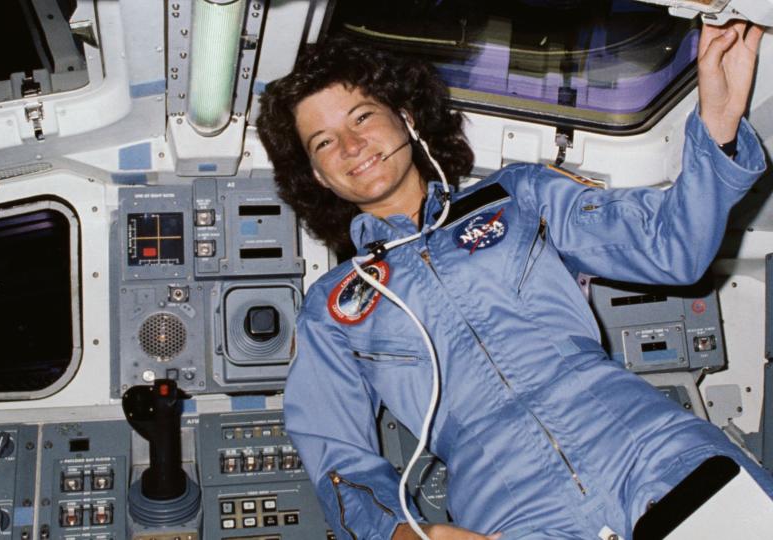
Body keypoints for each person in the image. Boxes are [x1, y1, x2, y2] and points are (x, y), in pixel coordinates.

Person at [256, 21, 770, 540]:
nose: (351, 145)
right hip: (507, 507)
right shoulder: (333, 304)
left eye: (362, 116)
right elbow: (334, 450)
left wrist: (718, 125)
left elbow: (670, 247)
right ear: (319, 175)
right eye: (323, 142)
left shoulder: (517, 195)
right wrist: (404, 534)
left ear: (406, 118)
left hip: (645, 445)